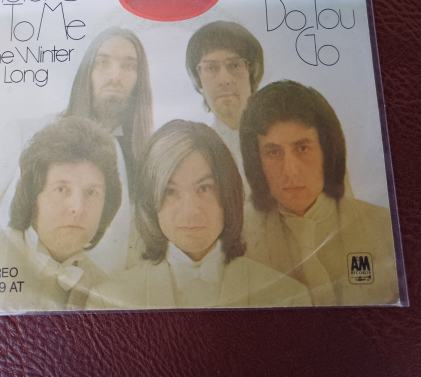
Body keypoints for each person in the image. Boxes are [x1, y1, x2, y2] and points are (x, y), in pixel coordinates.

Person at [87, 120, 311, 310]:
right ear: (150, 202)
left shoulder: (288, 298)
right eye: (170, 191)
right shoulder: (108, 301)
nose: (190, 210)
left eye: (204, 188)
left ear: (228, 194)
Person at [240, 80, 400, 306]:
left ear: (328, 151)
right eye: (273, 152)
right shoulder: (238, 240)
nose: (290, 171)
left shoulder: (387, 229)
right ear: (256, 161)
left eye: (302, 148)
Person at [0, 117, 121, 314]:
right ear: (32, 197)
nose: (78, 208)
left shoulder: (109, 291)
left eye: (92, 192)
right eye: (61, 189)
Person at [64, 26, 153, 272]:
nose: (115, 76)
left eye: (128, 66)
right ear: (87, 72)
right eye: (103, 63)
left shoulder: (150, 157)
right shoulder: (29, 132)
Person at [185, 21, 264, 195]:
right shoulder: (195, 151)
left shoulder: (279, 141)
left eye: (234, 65)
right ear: (199, 80)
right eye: (211, 68)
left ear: (252, 73)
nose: (224, 80)